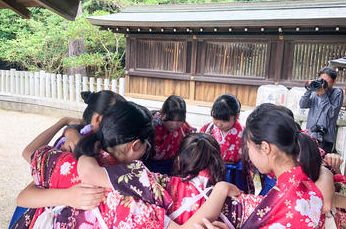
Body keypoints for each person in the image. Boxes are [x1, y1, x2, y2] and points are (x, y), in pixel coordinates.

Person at [78, 105, 331, 228]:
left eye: (250, 148)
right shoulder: (304, 190)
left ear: (266, 148)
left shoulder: (294, 204)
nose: (248, 154)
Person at [14, 102, 239, 229]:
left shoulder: (68, 157)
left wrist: (66, 197)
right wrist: (220, 189)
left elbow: (23, 197)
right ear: (136, 145)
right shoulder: (130, 187)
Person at [8, 90, 125, 228]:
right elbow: (24, 195)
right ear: (99, 119)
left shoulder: (79, 138)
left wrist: (66, 125)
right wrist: (68, 196)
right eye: (119, 121)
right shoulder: (76, 146)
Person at [77, 133, 237, 225]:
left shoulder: (148, 181)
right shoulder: (230, 201)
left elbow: (88, 172)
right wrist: (221, 188)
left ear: (179, 161)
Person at [200, 94, 252, 193]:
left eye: (224, 120)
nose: (219, 124)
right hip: (212, 170)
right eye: (216, 118)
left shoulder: (244, 133)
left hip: (236, 174)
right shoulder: (207, 129)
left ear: (237, 116)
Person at [145, 95, 195, 174]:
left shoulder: (184, 128)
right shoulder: (150, 125)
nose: (174, 125)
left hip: (171, 166)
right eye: (171, 119)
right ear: (162, 113)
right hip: (148, 165)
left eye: (179, 120)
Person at [300, 67, 344, 153]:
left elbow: (331, 113)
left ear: (334, 81)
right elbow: (302, 104)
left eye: (327, 82)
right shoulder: (315, 90)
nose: (323, 84)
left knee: (319, 164)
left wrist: (323, 95)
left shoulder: (338, 93)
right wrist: (309, 89)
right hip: (310, 136)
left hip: (325, 140)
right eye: (321, 80)